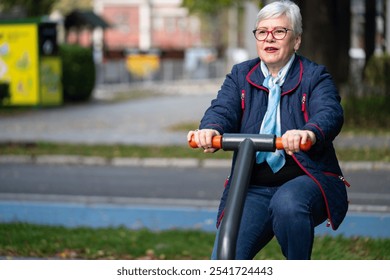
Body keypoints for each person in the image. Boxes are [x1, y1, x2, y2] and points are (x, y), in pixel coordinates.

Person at [187, 0, 349, 260]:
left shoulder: (315, 76)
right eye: (262, 32)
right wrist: (209, 129)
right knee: (225, 259)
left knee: (288, 204)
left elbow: (329, 112)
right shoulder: (241, 75)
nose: (269, 38)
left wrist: (309, 132)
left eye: (279, 32)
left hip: (306, 179)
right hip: (253, 186)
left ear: (296, 40)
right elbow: (222, 110)